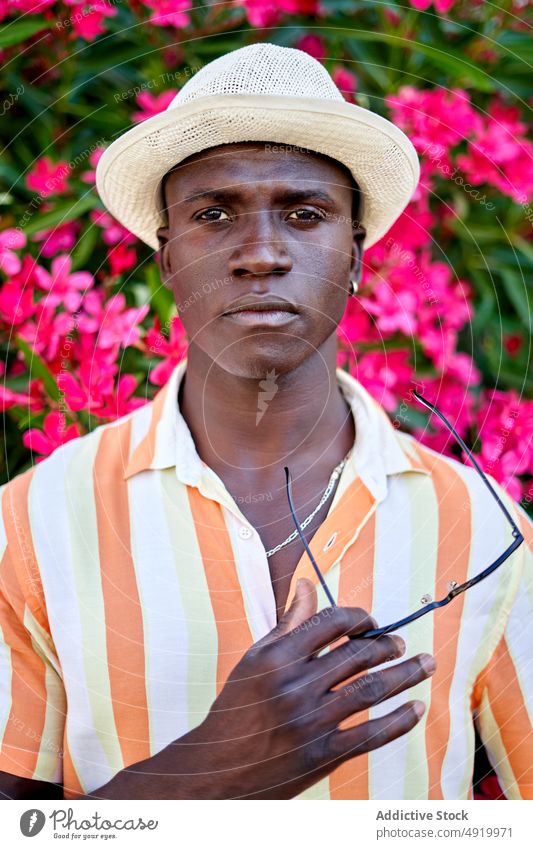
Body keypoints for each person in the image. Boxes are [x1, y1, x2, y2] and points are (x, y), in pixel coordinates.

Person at [0, 43, 531, 801]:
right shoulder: (35, 521)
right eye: (213, 214)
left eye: (304, 213)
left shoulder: (483, 529)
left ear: (354, 256)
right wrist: (211, 768)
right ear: (168, 261)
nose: (259, 253)